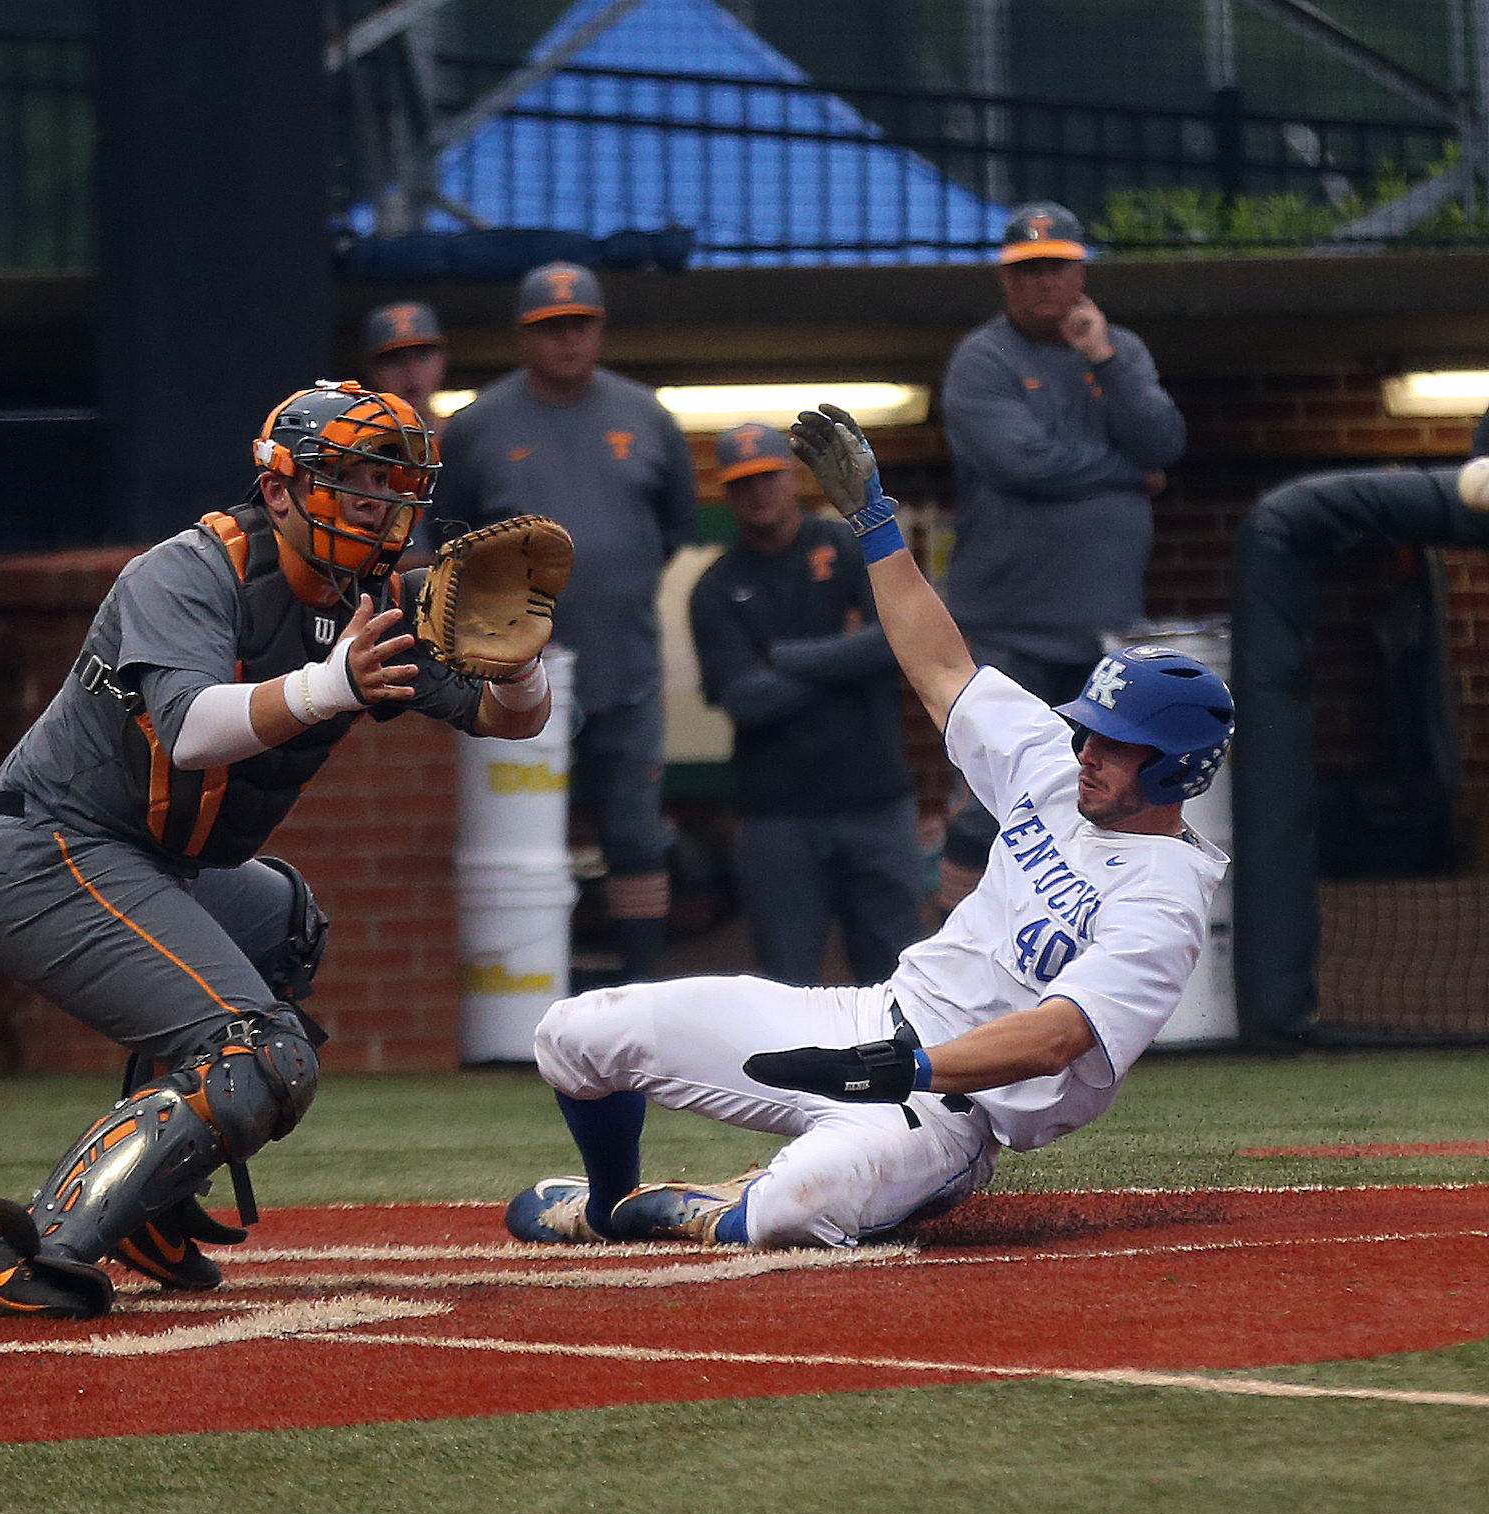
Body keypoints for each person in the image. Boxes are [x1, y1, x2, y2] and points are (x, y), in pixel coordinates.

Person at [507, 403, 1231, 1251]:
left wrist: (909, 1069)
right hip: (866, 1015)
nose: (1089, 752)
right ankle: (608, 1204)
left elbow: (1058, 1036)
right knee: (574, 1034)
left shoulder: (1166, 900)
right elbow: (940, 665)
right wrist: (876, 523)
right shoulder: (1052, 765)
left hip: (945, 1109)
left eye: (1118, 744)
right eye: (1090, 731)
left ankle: (724, 1204)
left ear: (1178, 769)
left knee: (791, 1212)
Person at [0, 382, 552, 1318]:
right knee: (261, 1056)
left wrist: (519, 666)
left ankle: (149, 1205)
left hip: (144, 860)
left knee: (282, 918)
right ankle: (31, 1248)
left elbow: (509, 723)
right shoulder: (188, 570)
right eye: (357, 486)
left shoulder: (378, 597)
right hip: (41, 849)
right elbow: (188, 731)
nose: (382, 509)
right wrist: (330, 684)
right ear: (280, 492)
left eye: (395, 488)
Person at [431, 261, 699, 981]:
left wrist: (616, 574)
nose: (567, 340)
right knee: (508, 840)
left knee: (635, 834)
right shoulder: (479, 424)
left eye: (579, 324)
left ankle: (641, 992)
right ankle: (505, 995)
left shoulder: (645, 415)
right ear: (524, 336)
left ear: (601, 327)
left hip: (625, 665)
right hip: (510, 670)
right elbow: (440, 540)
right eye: (550, 329)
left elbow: (673, 526)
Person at [937, 201, 1186, 898]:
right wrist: (1129, 474)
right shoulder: (983, 359)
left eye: (1058, 267)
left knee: (1102, 804)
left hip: (1105, 630)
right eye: (1030, 270)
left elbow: (1164, 441)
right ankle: (947, 944)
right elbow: (1026, 464)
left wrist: (1101, 359)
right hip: (1008, 625)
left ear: (1081, 271)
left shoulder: (1118, 350)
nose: (1045, 282)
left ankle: (1071, 957)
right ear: (1005, 280)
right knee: (994, 804)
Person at [689, 423, 918, 985]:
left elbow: (896, 641)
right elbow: (743, 697)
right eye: (743, 484)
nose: (759, 493)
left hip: (875, 802)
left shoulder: (847, 547)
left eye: (768, 478)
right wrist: (845, 660)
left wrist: (785, 658)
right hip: (777, 816)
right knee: (786, 988)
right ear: (726, 493)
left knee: (898, 980)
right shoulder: (717, 586)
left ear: (794, 478)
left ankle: (902, 1078)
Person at [359, 300, 447, 430]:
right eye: (395, 359)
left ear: (441, 362)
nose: (411, 371)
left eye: (423, 356)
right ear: (373, 372)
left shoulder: (467, 438)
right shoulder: (358, 444)